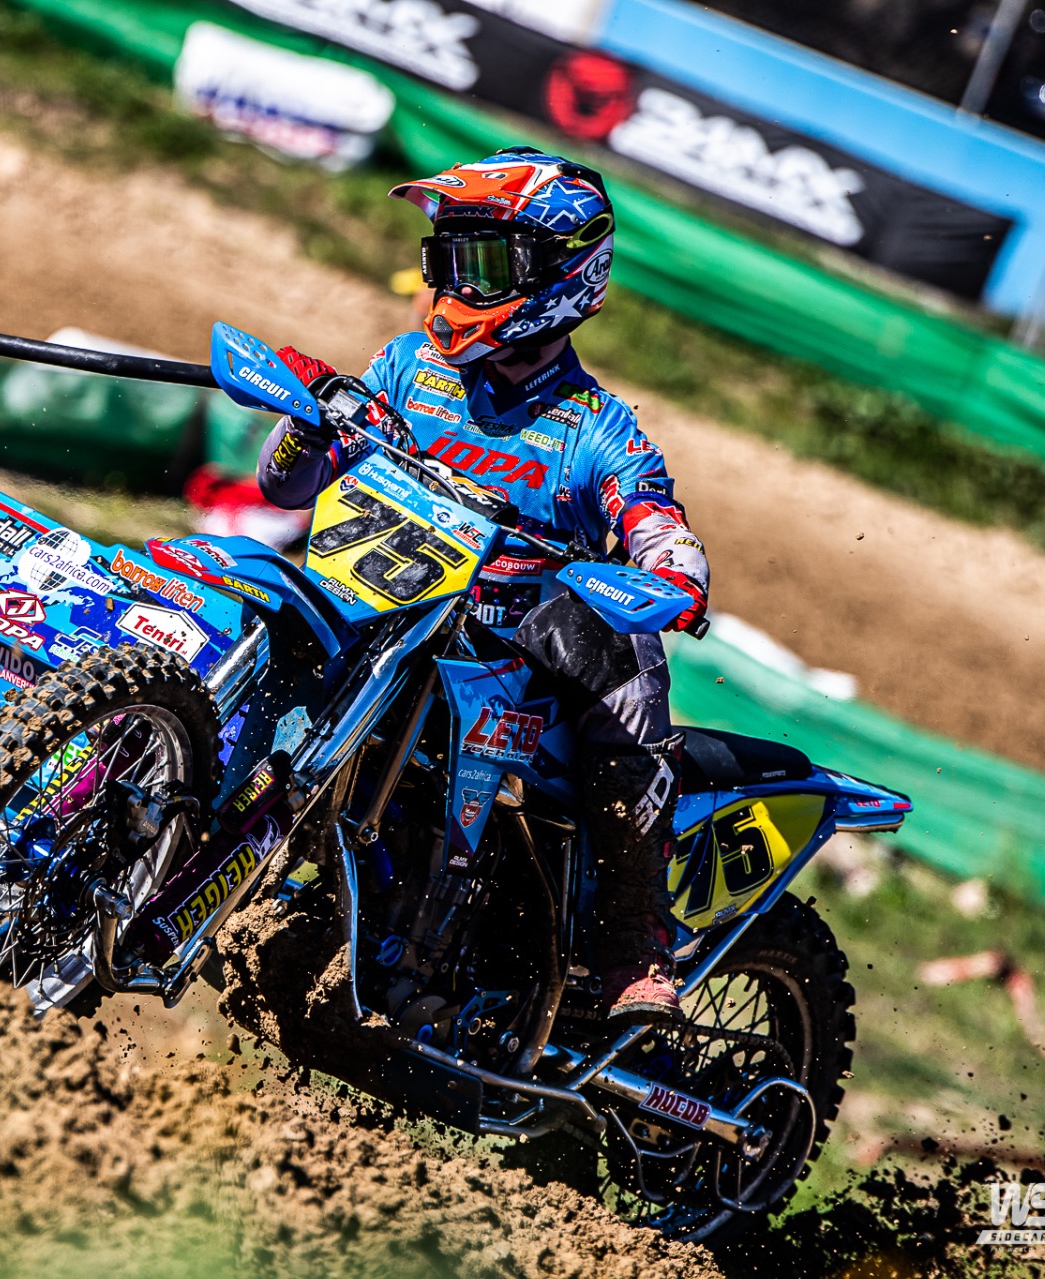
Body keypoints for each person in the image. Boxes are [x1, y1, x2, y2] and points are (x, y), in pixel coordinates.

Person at [255, 147, 710, 1023]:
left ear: (562, 271)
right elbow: (284, 486)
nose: (459, 285)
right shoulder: (404, 368)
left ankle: (634, 947)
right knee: (262, 596)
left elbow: (654, 516)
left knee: (618, 651)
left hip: (521, 653)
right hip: (384, 614)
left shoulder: (597, 428)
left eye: (487, 263)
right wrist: (310, 418)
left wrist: (673, 568)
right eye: (448, 258)